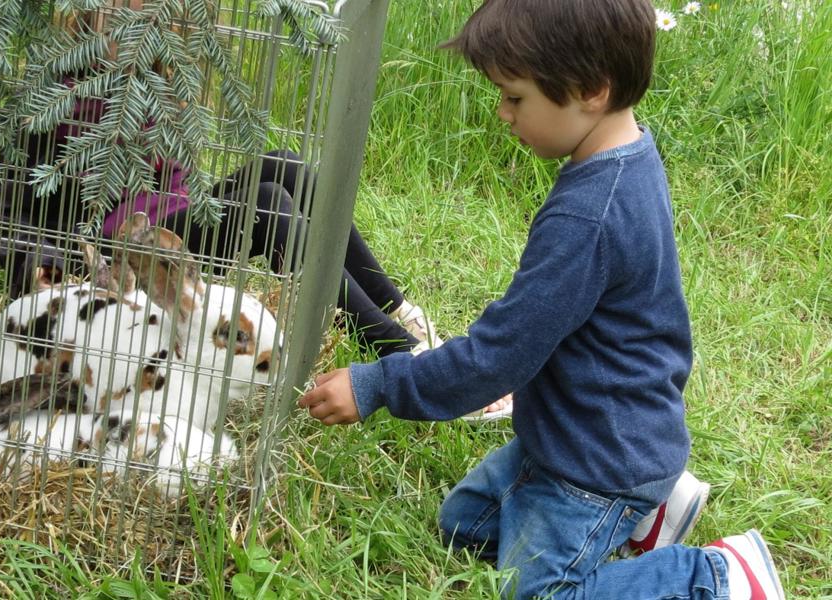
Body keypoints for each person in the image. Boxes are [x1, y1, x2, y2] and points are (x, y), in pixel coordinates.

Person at [299, 0, 784, 598]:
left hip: (599, 464)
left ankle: (716, 575)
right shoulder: (626, 155)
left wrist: (378, 384)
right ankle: (648, 512)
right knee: (461, 528)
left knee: (538, 593)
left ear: (591, 90)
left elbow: (497, 357)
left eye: (515, 96)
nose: (503, 113)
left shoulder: (589, 217)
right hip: (575, 433)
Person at [0, 7, 445, 358]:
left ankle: (395, 306)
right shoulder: (56, 94)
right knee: (265, 206)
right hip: (132, 248)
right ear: (89, 14)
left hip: (183, 220)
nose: (134, 30)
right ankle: (396, 349)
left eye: (151, 19)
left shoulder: (163, 81)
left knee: (286, 165)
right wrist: (41, 261)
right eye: (119, 16)